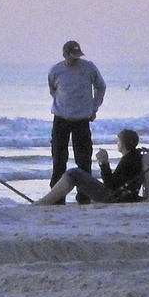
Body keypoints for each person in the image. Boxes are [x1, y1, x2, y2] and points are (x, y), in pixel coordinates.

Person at [47, 40, 107, 202]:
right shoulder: (56, 70)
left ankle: (84, 195)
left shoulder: (89, 67)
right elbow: (53, 89)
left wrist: (94, 108)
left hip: (82, 119)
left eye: (77, 56)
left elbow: (101, 86)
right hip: (61, 118)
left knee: (83, 159)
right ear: (64, 54)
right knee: (59, 159)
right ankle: (57, 197)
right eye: (72, 56)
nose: (75, 59)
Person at [35, 128, 143, 205]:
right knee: (75, 173)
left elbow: (111, 185)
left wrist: (104, 163)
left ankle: (43, 202)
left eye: (118, 141)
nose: (117, 144)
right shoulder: (134, 157)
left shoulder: (129, 159)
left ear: (122, 144)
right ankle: (47, 201)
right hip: (121, 195)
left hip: (114, 197)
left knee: (74, 174)